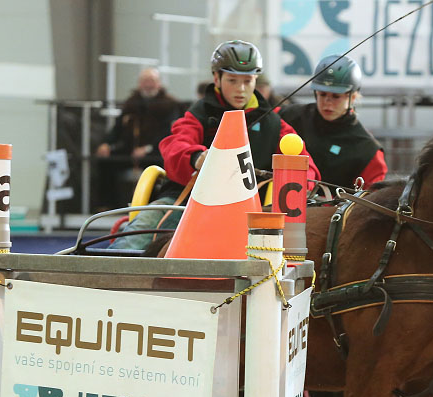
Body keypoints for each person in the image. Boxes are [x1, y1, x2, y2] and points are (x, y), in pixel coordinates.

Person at [112, 40, 319, 250]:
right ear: (216, 78)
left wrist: (297, 185)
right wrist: (197, 157)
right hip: (187, 202)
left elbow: (306, 167)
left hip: (252, 212)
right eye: (232, 80)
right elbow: (175, 145)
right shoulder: (198, 114)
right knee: (135, 238)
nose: (241, 89)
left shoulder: (276, 124)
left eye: (248, 81)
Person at [277, 54, 386, 193]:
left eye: (336, 96)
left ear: (353, 97)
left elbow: (372, 202)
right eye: (322, 94)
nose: (327, 102)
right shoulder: (287, 117)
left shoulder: (368, 151)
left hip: (331, 213)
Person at [95, 67, 181, 209]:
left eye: (151, 80)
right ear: (139, 83)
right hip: (130, 151)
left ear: (158, 83)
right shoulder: (131, 103)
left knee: (158, 167)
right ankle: (109, 205)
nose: (148, 84)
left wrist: (147, 149)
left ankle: (153, 206)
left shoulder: (170, 105)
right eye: (145, 81)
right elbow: (118, 128)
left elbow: (168, 132)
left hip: (156, 152)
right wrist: (106, 144)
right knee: (106, 162)